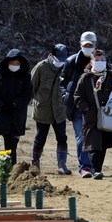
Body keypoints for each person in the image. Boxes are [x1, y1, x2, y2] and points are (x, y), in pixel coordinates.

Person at [74, 49, 112, 180]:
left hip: (107, 115)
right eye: (97, 60)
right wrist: (86, 109)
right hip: (91, 117)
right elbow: (77, 96)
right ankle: (96, 170)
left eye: (102, 60)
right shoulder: (85, 78)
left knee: (104, 143)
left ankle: (98, 169)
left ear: (106, 61)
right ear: (91, 62)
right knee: (94, 144)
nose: (100, 62)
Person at [30, 44, 72, 174]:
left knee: (62, 137)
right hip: (43, 110)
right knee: (40, 138)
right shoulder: (41, 67)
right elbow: (31, 86)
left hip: (59, 110)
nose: (60, 63)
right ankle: (35, 165)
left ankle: (62, 165)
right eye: (58, 59)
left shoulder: (67, 67)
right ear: (51, 55)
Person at [0, 48, 33, 164]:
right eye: (12, 63)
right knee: (8, 137)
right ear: (7, 63)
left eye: (17, 63)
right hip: (2, 112)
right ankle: (10, 164)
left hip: (18, 112)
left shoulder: (25, 76)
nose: (14, 65)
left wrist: (16, 103)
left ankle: (7, 162)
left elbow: (27, 93)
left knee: (15, 138)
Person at [61, 31, 97, 178]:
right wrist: (65, 96)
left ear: (95, 45)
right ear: (81, 44)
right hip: (76, 106)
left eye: (91, 45)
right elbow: (62, 81)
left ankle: (94, 166)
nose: (88, 47)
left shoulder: (100, 61)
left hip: (94, 107)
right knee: (81, 137)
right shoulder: (71, 61)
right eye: (85, 45)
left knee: (94, 137)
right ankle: (84, 167)